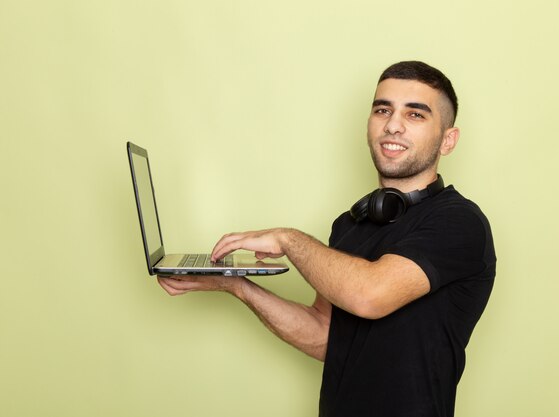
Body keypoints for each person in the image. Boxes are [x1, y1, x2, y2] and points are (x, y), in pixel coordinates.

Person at [158, 61, 496, 417]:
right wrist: (238, 286)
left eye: (415, 115)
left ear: (448, 140)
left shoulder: (460, 221)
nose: (393, 125)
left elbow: (369, 295)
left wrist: (288, 240)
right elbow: (325, 336)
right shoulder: (350, 225)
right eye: (383, 110)